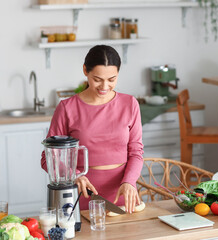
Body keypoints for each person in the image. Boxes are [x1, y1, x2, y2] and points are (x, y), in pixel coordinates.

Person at [41, 45, 144, 213]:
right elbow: (48, 158)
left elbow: (136, 152)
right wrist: (74, 175)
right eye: (97, 79)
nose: (104, 86)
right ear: (85, 71)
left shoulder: (130, 104)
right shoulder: (67, 108)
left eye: (112, 79)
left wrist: (130, 182)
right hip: (82, 196)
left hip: (123, 196)